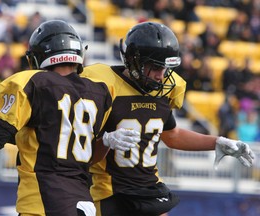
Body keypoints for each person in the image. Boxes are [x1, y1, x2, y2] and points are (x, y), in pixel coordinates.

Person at [81, 22, 255, 216]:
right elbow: (82, 155)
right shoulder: (104, 87)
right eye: (155, 67)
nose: (161, 76)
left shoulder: (164, 91)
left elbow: (172, 135)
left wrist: (216, 141)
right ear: (134, 60)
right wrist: (105, 141)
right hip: (109, 193)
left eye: (165, 68)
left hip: (149, 190)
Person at [0, 20, 140, 216]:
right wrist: (105, 141)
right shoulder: (99, 92)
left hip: (43, 203)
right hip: (83, 203)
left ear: (39, 57)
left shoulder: (33, 83)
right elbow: (80, 152)